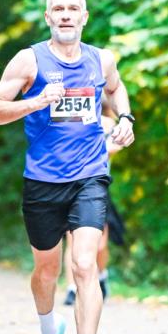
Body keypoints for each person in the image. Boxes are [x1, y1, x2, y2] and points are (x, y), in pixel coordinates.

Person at [0, 0, 135, 334]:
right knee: (46, 271)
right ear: (48, 17)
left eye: (74, 8)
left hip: (90, 174)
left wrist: (125, 118)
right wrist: (35, 101)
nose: (66, 15)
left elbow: (115, 89)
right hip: (43, 181)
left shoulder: (101, 59)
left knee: (85, 265)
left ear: (85, 17)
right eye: (58, 9)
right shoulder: (28, 61)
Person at [63, 110, 127, 306]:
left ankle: (101, 275)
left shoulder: (112, 125)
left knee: (100, 245)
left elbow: (114, 148)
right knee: (72, 240)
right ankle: (72, 288)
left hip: (97, 188)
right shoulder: (73, 119)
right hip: (70, 186)